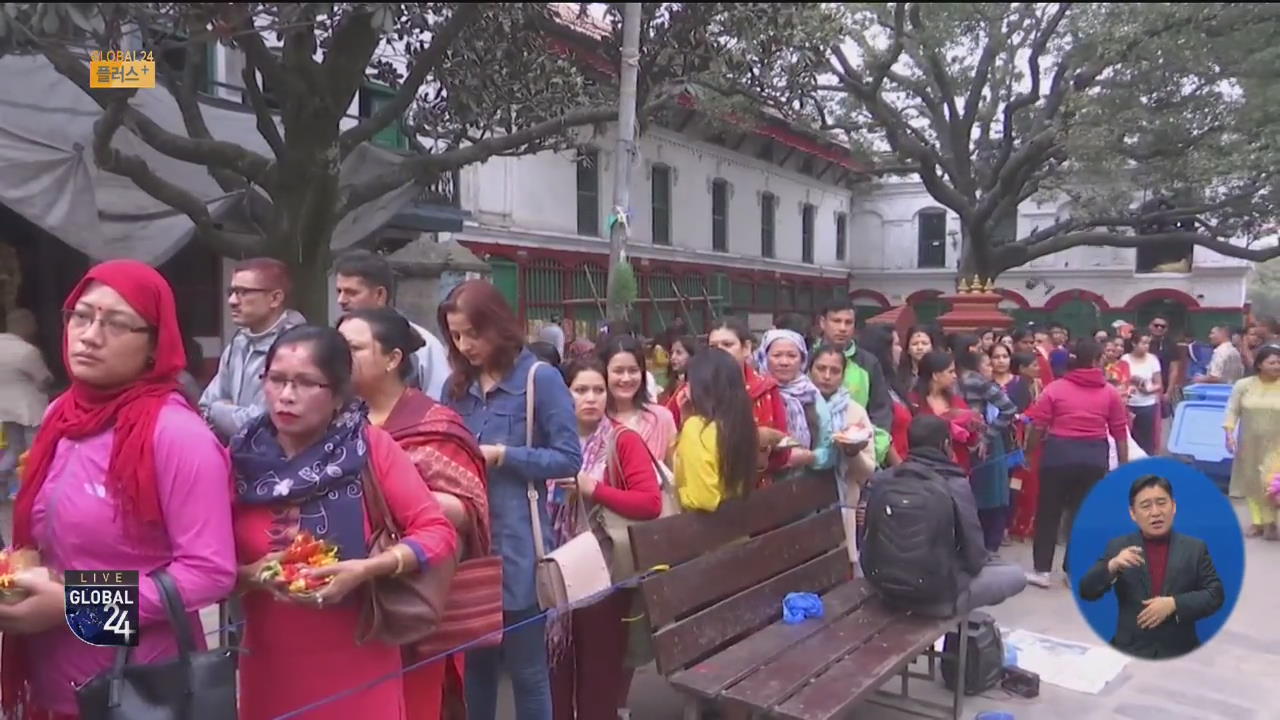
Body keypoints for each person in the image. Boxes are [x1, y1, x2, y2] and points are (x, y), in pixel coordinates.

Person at [0, 260, 236, 719]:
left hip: (135, 692)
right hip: (50, 678)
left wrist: (77, 607)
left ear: (154, 344)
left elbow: (210, 573)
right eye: (81, 316)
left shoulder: (176, 435)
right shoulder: (60, 417)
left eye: (115, 323)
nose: (89, 334)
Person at [232, 325, 458, 720]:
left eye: (305, 383)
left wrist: (368, 569)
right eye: (277, 380)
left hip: (359, 659)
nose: (286, 395)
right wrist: (254, 575)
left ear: (338, 394)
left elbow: (437, 533)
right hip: (269, 664)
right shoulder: (237, 459)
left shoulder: (369, 448)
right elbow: (203, 567)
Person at [337, 309, 491, 719]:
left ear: (393, 359)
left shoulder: (435, 423)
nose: (338, 356)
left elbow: (466, 506)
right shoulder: (331, 421)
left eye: (352, 348)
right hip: (341, 600)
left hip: (409, 593)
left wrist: (389, 502)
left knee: (413, 703)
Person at [439, 280, 582, 720]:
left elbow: (568, 458)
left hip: (519, 540)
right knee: (476, 666)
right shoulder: (455, 386)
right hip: (469, 542)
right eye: (456, 336)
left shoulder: (539, 378)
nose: (465, 345)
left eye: (472, 334)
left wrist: (505, 456)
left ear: (498, 327)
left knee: (526, 670)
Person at [548, 357, 661, 720]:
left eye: (599, 389)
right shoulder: (547, 440)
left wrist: (593, 488)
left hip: (603, 570)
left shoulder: (622, 440)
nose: (592, 398)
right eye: (581, 390)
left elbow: (650, 502)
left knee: (599, 674)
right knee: (555, 671)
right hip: (551, 568)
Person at [862, 415, 1026, 618]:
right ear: (946, 444)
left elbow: (867, 540)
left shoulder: (884, 480)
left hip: (885, 590)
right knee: (1015, 575)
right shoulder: (955, 484)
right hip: (936, 597)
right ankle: (952, 611)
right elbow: (974, 556)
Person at [1078, 475, 1225, 660]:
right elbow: (1087, 591)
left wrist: (1174, 604)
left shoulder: (1195, 549)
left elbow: (1215, 595)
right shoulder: (1119, 548)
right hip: (1129, 651)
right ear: (1133, 513)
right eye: (1146, 506)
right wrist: (1112, 565)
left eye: (1161, 503)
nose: (1155, 512)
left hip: (1180, 652)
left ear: (1174, 506)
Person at [1024, 339, 1129, 588]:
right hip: (1093, 457)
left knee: (1049, 512)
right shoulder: (1110, 393)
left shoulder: (1055, 389)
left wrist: (1028, 453)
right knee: (1082, 515)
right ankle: (1073, 572)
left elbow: (1038, 426)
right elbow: (1120, 432)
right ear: (1094, 361)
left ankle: (1042, 571)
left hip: (1058, 455)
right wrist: (1123, 466)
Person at [199, 257, 305, 441]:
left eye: (243, 292)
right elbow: (204, 406)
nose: (232, 301)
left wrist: (219, 410)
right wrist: (227, 413)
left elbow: (264, 425)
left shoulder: (298, 348)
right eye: (231, 291)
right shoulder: (238, 343)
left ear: (275, 298)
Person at [333, 249, 453, 401]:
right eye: (339, 291)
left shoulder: (423, 346)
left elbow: (439, 398)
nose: (341, 300)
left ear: (380, 295)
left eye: (352, 292)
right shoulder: (333, 341)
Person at [696, 317, 792, 481]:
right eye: (713, 347)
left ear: (746, 348)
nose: (720, 352)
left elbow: (784, 452)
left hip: (759, 489)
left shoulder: (766, 389)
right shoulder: (694, 390)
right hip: (709, 488)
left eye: (727, 345)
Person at [808, 345, 877, 562]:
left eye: (835, 371)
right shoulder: (799, 404)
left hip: (844, 503)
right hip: (803, 505)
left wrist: (852, 452)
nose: (827, 376)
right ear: (809, 369)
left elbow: (868, 470)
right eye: (821, 368)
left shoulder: (854, 411)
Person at [674, 348, 759, 512]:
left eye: (688, 381)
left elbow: (703, 499)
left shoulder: (696, 428)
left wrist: (679, 492)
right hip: (738, 527)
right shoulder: (741, 424)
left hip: (704, 531)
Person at [953, 338, 1018, 553]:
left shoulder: (967, 381)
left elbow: (1008, 409)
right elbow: (1008, 409)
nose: (992, 366)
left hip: (975, 442)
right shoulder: (971, 381)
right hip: (978, 441)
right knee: (989, 498)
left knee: (984, 497)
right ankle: (987, 547)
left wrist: (985, 437)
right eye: (987, 361)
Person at [816, 299, 893, 465]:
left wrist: (872, 454)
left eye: (848, 322)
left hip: (858, 458)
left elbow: (880, 412)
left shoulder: (868, 363)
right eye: (836, 321)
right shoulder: (806, 358)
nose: (842, 328)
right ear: (823, 323)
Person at [1223, 346, 1280, 540]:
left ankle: (1271, 521)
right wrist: (1229, 434)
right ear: (1259, 365)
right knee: (1252, 481)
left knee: (1271, 482)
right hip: (1250, 442)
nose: (1277, 366)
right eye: (1272, 362)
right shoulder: (1244, 385)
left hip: (1277, 444)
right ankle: (1258, 522)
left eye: (1279, 362)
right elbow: (1232, 410)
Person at [599, 335, 677, 464]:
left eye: (633, 370)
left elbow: (675, 471)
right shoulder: (594, 420)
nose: (626, 378)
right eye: (618, 371)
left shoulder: (661, 419)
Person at [0, 308, 51, 500]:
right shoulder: (27, 351)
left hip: (5, 409)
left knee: (14, 449)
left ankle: (3, 484)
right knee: (34, 452)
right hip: (30, 411)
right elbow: (44, 379)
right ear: (25, 325)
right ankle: (27, 492)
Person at [759, 329, 825, 472]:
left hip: (808, 477)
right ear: (764, 357)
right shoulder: (758, 391)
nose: (784, 362)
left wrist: (812, 457)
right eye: (777, 355)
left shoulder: (811, 393)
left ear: (802, 359)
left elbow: (827, 438)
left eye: (792, 356)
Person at [858, 324, 910, 465]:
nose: (901, 350)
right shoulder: (870, 386)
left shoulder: (895, 383)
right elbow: (877, 428)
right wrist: (899, 467)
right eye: (896, 344)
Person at [1122, 333, 1163, 456]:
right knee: (1129, 438)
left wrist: (1148, 390)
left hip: (1147, 404)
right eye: (1143, 343)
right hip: (1129, 403)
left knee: (1147, 439)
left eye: (1148, 343)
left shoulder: (1152, 359)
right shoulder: (1125, 359)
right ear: (1134, 343)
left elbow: (1158, 383)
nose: (1146, 346)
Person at [896, 324, 938, 404]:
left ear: (932, 347)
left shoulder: (940, 374)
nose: (920, 348)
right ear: (908, 349)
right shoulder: (899, 375)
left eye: (924, 343)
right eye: (915, 344)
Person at [662, 335, 698, 409]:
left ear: (692, 356)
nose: (673, 357)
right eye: (672, 353)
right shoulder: (674, 383)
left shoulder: (696, 387)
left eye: (679, 353)